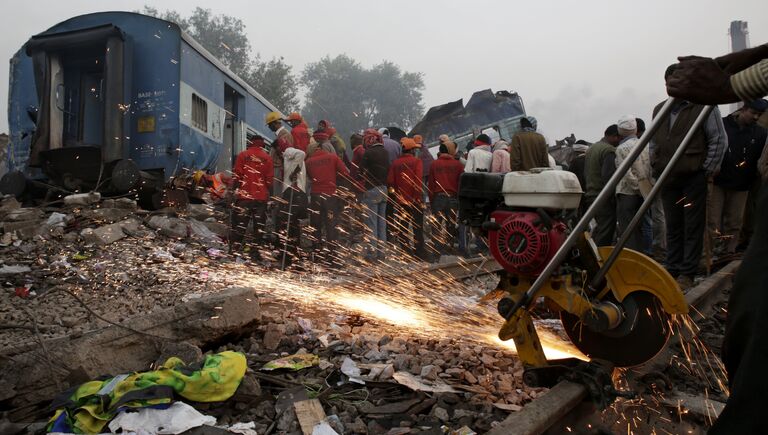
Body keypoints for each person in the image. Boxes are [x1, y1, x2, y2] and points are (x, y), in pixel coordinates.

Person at [665, 43, 768, 435]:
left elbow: (718, 146)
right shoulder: (665, 112)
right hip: (675, 176)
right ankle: (676, 265)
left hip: (705, 177)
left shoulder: (711, 112)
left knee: (755, 311)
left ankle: (692, 267)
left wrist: (732, 83)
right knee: (747, 309)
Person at [651, 65, 728, 289]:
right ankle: (672, 267)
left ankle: (687, 272)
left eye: (675, 83)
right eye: (668, 83)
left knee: (692, 225)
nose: (670, 88)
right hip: (668, 176)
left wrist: (706, 169)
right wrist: (655, 165)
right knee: (673, 224)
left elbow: (718, 140)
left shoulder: (704, 107)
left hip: (694, 175)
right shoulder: (660, 110)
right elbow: (654, 143)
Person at [708, 99, 768, 256]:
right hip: (719, 182)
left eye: (759, 114)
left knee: (734, 222)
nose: (756, 117)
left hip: (742, 185)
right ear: (743, 109)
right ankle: (711, 252)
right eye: (753, 113)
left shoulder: (761, 133)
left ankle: (729, 252)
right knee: (713, 221)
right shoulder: (723, 125)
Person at [305, 131, 351, 265]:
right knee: (331, 226)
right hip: (330, 197)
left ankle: (317, 256)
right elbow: (345, 174)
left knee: (316, 226)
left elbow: (309, 177)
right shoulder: (333, 158)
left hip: (315, 197)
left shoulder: (308, 161)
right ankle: (333, 257)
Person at [230, 135, 274, 261]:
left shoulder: (243, 155)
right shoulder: (267, 158)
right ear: (263, 145)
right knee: (259, 228)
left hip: (244, 197)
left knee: (240, 225)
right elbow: (269, 180)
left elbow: (238, 175)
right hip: (261, 198)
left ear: (251, 143)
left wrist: (232, 191)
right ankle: (255, 254)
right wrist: (271, 197)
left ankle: (234, 251)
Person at [614, 116, 651, 252]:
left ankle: (633, 256)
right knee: (643, 226)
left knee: (628, 229)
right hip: (645, 191)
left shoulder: (620, 149)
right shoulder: (645, 144)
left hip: (626, 192)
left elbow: (625, 172)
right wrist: (643, 186)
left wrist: (635, 186)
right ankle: (646, 254)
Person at [387, 137, 426, 260]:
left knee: (403, 227)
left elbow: (390, 181)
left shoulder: (395, 163)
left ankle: (406, 253)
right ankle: (420, 253)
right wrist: (417, 198)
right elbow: (418, 182)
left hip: (401, 201)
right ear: (412, 150)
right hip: (415, 200)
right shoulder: (416, 162)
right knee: (417, 228)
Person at [583, 125, 622, 246]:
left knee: (599, 229)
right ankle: (600, 261)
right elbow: (609, 178)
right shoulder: (609, 150)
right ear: (614, 136)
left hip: (591, 194)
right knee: (606, 232)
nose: (620, 141)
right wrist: (611, 197)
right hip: (602, 197)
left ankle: (593, 257)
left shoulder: (591, 148)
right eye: (619, 138)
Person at [360, 128, 390, 260]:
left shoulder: (369, 152)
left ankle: (372, 254)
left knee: (371, 223)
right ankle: (381, 253)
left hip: (372, 190)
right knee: (381, 223)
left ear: (370, 139)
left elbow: (361, 171)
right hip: (384, 189)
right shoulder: (385, 152)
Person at [428, 143, 464, 255]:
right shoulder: (458, 164)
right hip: (453, 197)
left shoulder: (434, 164)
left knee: (437, 225)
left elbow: (431, 184)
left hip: (438, 198)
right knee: (451, 224)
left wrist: (431, 200)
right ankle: (450, 246)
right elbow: (461, 183)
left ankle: (437, 250)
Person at [276, 147, 308, 269]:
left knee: (285, 225)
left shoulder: (288, 151)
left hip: (293, 193)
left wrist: (293, 172)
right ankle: (294, 257)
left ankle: (286, 258)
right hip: (299, 194)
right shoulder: (295, 161)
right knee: (294, 227)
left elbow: (302, 152)